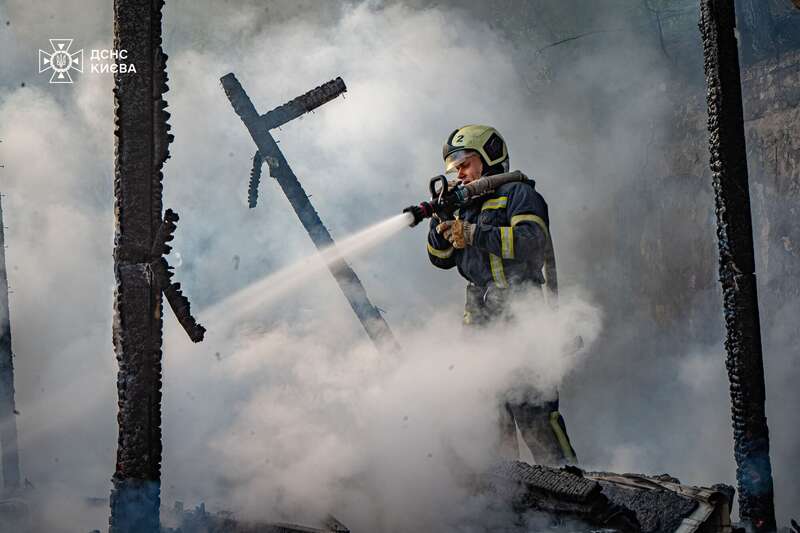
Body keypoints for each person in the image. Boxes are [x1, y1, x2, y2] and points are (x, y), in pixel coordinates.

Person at [424, 124, 577, 466]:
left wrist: (475, 233)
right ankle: (510, 499)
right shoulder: (464, 207)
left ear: (490, 157)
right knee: (490, 416)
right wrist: (442, 222)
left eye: (464, 163)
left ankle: (572, 486)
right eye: (453, 167)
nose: (458, 173)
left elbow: (531, 242)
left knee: (535, 413)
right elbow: (441, 261)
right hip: (479, 322)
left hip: (523, 317)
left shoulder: (519, 195)